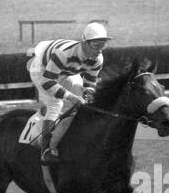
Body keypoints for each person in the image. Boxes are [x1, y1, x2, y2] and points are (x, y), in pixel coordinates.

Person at [26, 21, 110, 164]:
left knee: (77, 103)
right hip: (42, 70)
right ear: (84, 43)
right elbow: (48, 82)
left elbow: (89, 81)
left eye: (103, 46)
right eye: (96, 46)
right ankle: (46, 150)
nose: (99, 50)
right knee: (56, 104)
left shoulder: (98, 59)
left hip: (66, 71)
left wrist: (88, 94)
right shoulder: (64, 54)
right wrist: (71, 97)